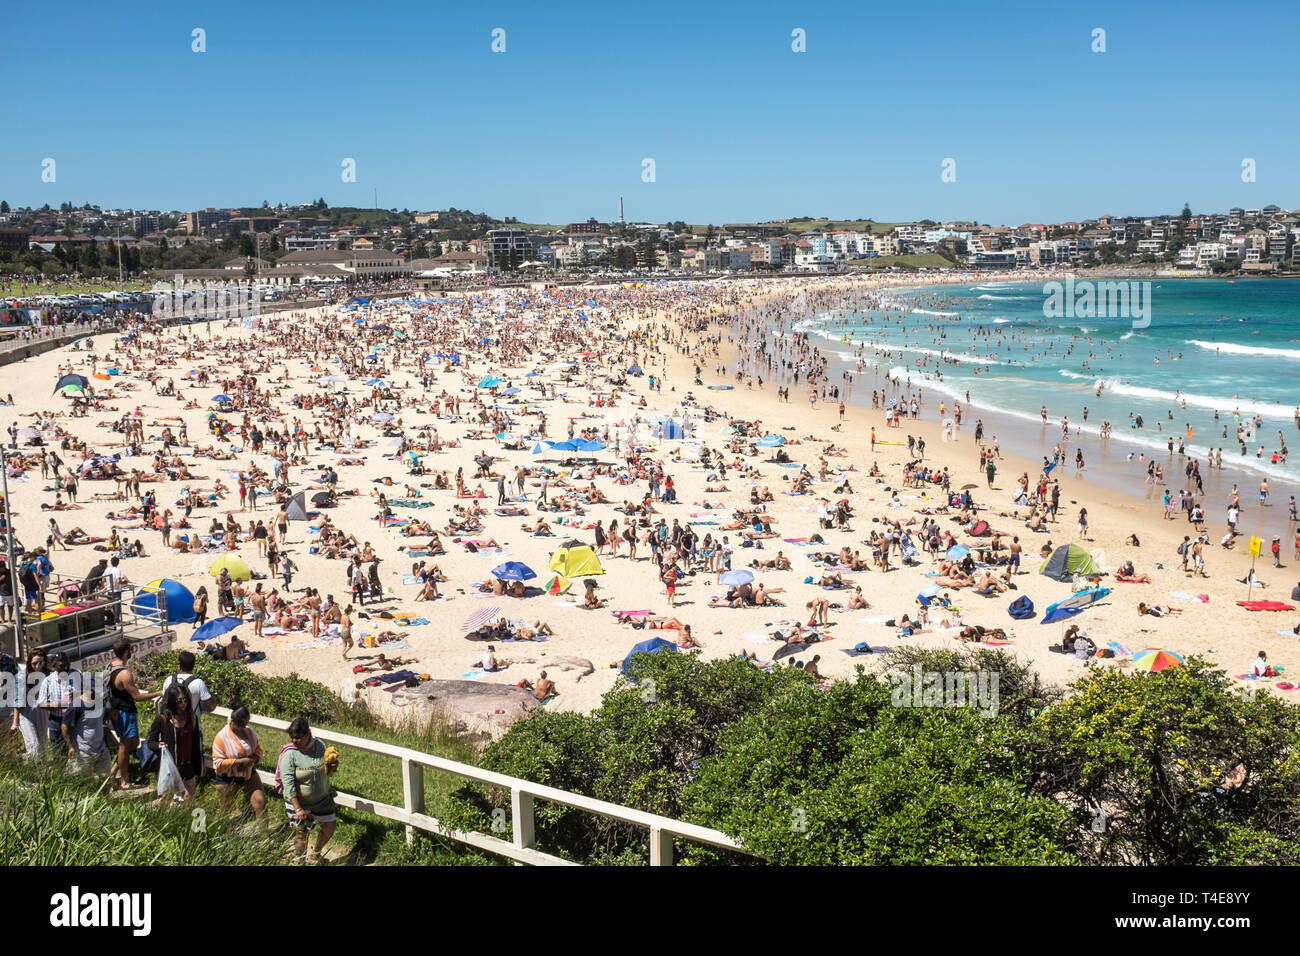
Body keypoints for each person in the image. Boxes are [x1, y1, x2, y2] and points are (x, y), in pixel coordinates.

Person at [277, 717, 337, 863]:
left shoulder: (320, 746)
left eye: (298, 737)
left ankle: (315, 854)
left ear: (308, 734)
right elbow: (288, 784)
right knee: (301, 833)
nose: (294, 740)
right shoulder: (289, 755)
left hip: (322, 798)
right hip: (299, 802)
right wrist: (297, 809)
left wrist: (333, 767)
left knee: (330, 826)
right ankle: (299, 860)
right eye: (292, 737)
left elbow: (327, 768)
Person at [106, 637, 163, 790]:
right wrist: (158, 692)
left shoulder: (110, 666)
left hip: (117, 711)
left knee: (133, 742)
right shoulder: (125, 673)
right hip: (125, 712)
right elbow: (137, 697)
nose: (132, 652)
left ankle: (113, 772)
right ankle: (124, 781)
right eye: (130, 649)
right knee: (125, 745)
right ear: (126, 652)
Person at [211, 702, 267, 825]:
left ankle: (265, 837)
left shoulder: (250, 733)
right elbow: (218, 763)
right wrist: (240, 762)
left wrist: (253, 760)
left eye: (245, 723)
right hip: (228, 776)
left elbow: (258, 750)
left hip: (248, 772)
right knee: (226, 808)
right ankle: (219, 831)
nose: (243, 727)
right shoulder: (221, 738)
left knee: (260, 802)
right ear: (233, 721)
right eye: (240, 724)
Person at [145, 684, 203, 800]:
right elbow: (150, 741)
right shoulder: (163, 719)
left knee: (188, 799)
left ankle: (185, 818)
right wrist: (158, 745)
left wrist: (199, 767)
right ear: (172, 701)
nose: (184, 703)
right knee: (166, 799)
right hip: (169, 765)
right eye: (179, 701)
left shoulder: (192, 718)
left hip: (187, 765)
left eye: (186, 700)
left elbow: (196, 744)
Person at [60, 676, 118, 776]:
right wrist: (70, 746)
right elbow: (65, 727)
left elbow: (98, 721)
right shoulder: (76, 706)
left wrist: (109, 715)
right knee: (81, 783)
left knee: (104, 778)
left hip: (101, 749)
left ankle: (104, 791)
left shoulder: (99, 703)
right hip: (82, 752)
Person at [10, 648, 51, 761]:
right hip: (26, 715)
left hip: (41, 713)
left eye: (40, 662)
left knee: (42, 745)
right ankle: (35, 772)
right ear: (29, 663)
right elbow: (17, 700)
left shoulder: (48, 675)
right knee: (33, 745)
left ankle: (44, 772)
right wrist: (15, 722)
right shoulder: (22, 677)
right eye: (34, 663)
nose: (37, 666)